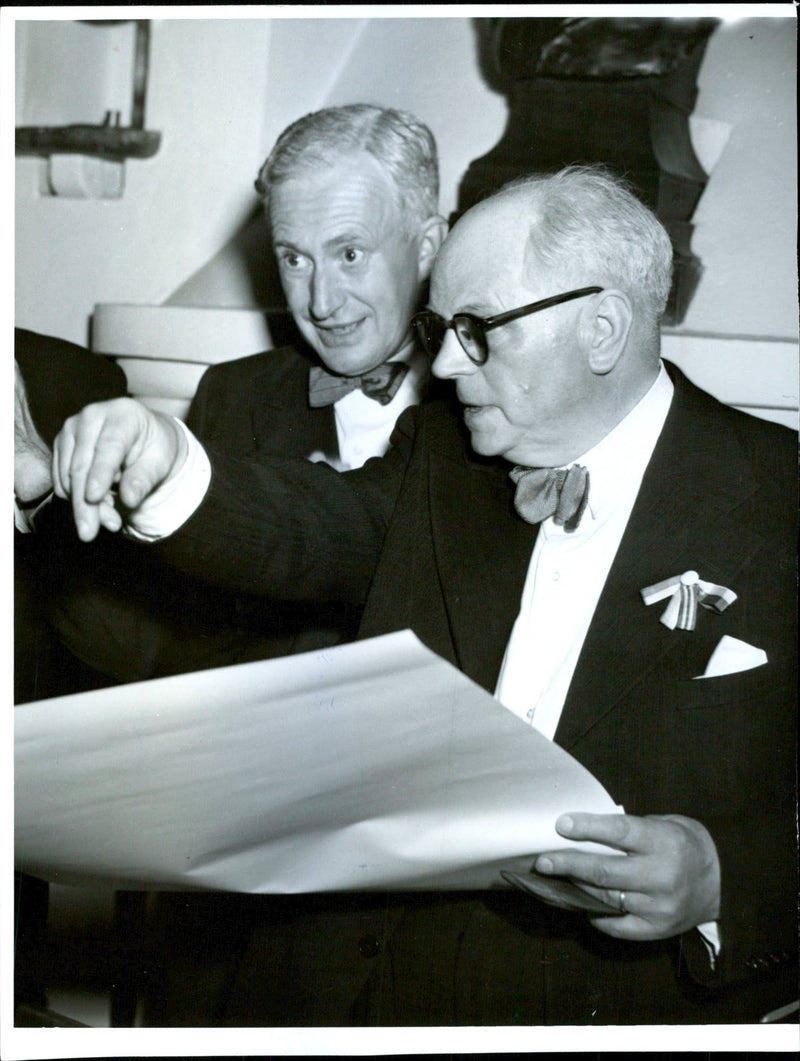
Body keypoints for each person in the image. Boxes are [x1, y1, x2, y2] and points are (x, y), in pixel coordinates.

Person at [51, 166, 797, 1023]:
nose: (440, 363)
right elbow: (309, 523)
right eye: (440, 328)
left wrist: (722, 878)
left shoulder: (779, 497)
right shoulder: (442, 455)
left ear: (601, 330)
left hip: (611, 1009)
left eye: (476, 329)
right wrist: (170, 466)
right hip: (353, 987)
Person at [28, 104, 448, 684]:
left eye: (349, 255)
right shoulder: (236, 396)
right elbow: (154, 651)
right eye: (294, 259)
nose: (321, 302)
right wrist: (45, 497)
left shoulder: (481, 411)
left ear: (427, 247)